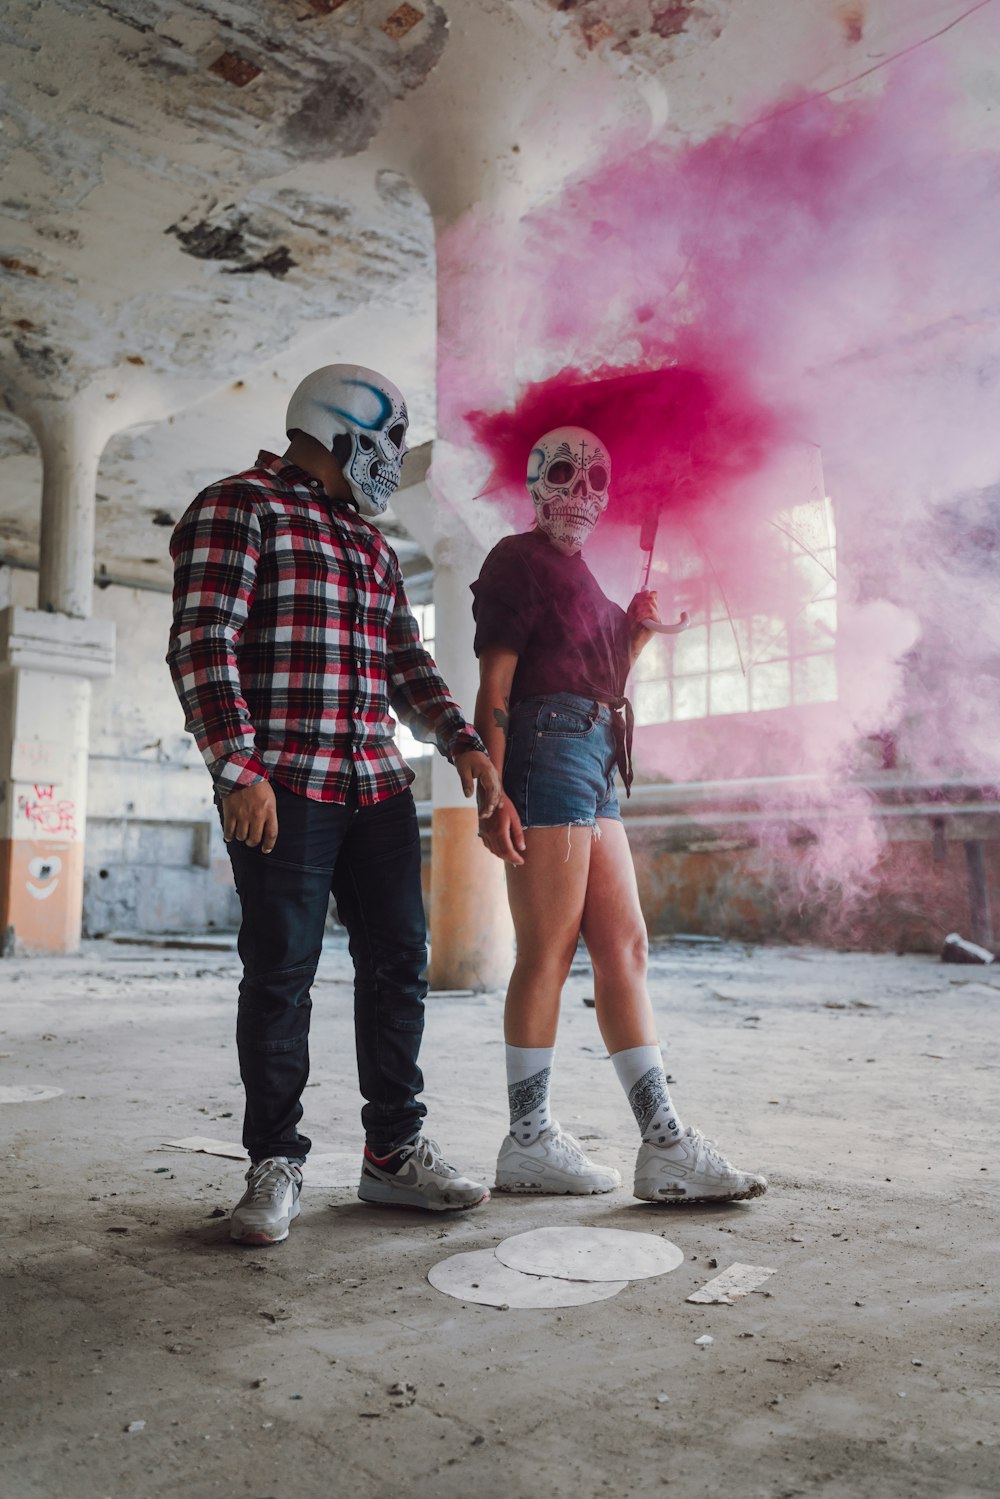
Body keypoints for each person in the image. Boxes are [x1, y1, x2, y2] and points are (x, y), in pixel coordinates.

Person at [167, 363, 502, 1245]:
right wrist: (237, 769)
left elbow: (405, 663)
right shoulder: (240, 505)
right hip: (285, 786)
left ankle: (393, 1153)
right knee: (281, 975)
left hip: (376, 785)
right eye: (390, 439)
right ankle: (274, 1161)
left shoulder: (371, 544)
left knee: (399, 961)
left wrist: (461, 741)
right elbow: (205, 639)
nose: (393, 458)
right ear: (346, 429)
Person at [471, 424, 767, 1204]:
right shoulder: (516, 560)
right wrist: (490, 789)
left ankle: (664, 1143)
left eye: (596, 481)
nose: (580, 493)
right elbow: (497, 686)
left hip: (596, 753)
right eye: (563, 474)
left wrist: (633, 633)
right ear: (536, 481)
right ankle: (527, 1140)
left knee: (626, 946)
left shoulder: (588, 583)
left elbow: (604, 677)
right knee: (549, 951)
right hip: (546, 745)